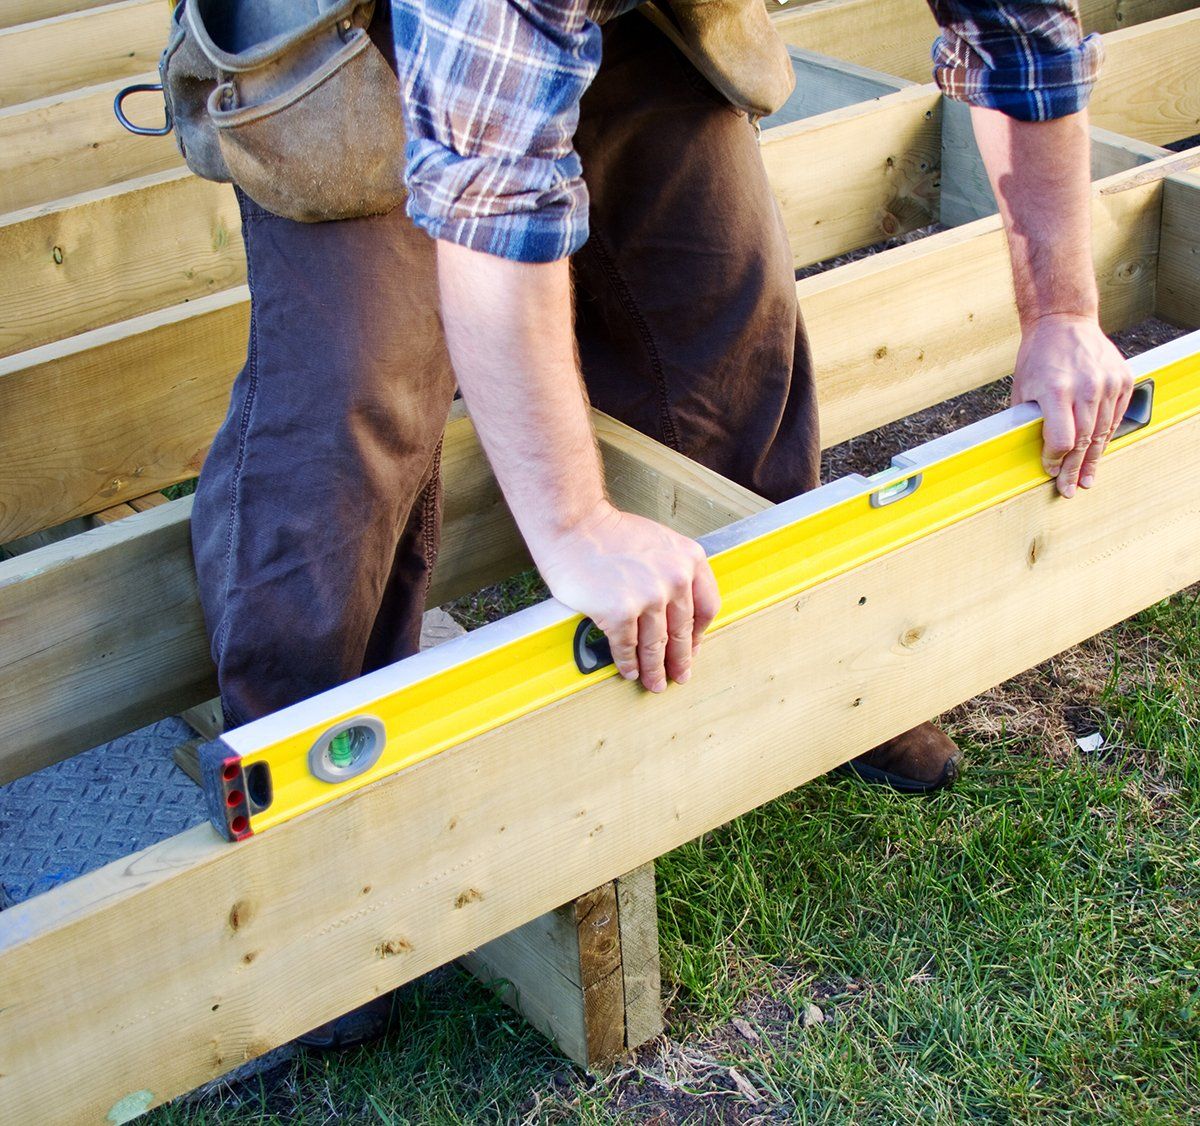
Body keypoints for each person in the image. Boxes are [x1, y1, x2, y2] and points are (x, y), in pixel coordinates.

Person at [189, 0, 1134, 1046]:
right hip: (345, 30)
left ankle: (791, 675)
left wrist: (1062, 313)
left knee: (715, 302)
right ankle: (312, 843)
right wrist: (575, 523)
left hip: (599, 18)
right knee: (361, 393)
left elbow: (1025, 39)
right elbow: (494, 186)